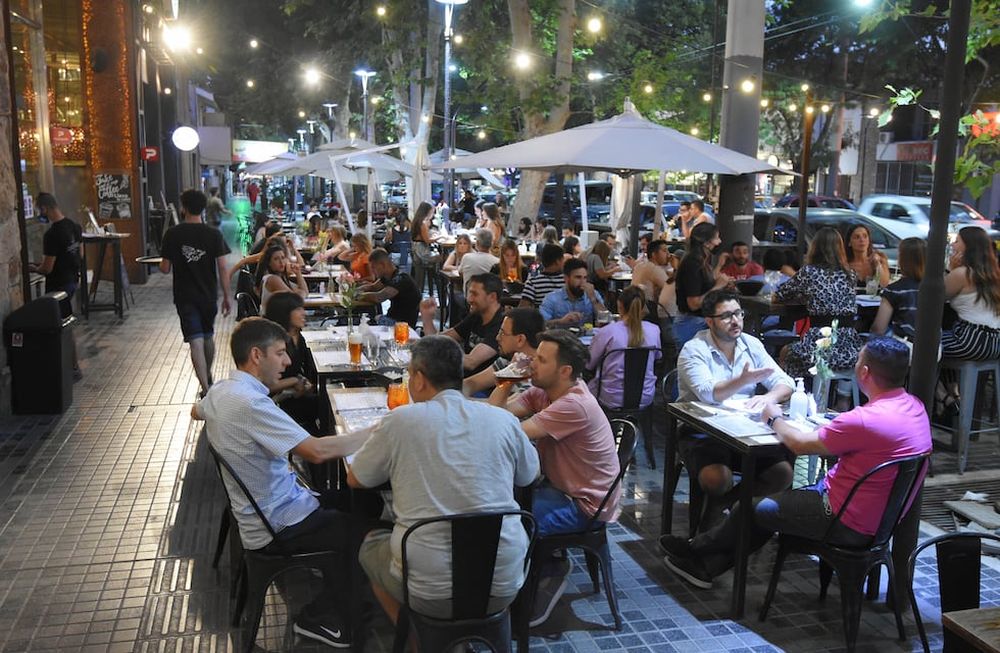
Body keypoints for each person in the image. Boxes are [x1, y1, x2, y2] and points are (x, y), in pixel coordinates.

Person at [662, 337, 932, 589]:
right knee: (770, 507)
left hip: (842, 517)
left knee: (756, 506)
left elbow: (800, 444)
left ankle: (695, 548)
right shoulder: (915, 407)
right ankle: (704, 566)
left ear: (864, 372)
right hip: (882, 521)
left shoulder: (864, 419)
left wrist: (773, 418)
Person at [194, 317, 374, 647]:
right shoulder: (250, 404)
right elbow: (317, 452)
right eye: (280, 353)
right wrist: (379, 431)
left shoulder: (221, 390)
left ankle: (345, 597)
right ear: (256, 355)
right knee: (363, 533)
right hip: (277, 523)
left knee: (355, 500)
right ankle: (320, 618)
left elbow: (197, 411)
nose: (288, 361)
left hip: (267, 508)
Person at [349, 336, 539, 624]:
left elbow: (356, 479)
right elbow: (529, 475)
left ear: (420, 379)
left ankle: (418, 640)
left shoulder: (400, 421)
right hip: (504, 583)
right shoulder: (501, 419)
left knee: (370, 545)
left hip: (426, 592)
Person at [488, 330, 621, 625]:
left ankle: (550, 568)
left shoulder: (574, 404)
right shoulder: (545, 391)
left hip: (584, 505)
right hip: (559, 488)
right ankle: (536, 568)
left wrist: (507, 382)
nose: (532, 364)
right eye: (534, 357)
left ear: (565, 371)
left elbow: (506, 433)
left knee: (510, 521)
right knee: (499, 508)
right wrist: (507, 379)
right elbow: (495, 418)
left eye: (540, 360)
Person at [675, 289, 795, 531]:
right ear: (709, 321)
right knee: (718, 479)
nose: (735, 321)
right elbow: (707, 392)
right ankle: (725, 513)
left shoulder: (751, 344)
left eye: (738, 313)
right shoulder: (694, 348)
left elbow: (786, 383)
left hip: (743, 430)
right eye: (727, 316)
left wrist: (768, 397)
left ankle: (722, 509)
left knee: (782, 474)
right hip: (700, 428)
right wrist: (743, 380)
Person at [160, 189, 232, 396]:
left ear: (183, 208)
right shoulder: (213, 234)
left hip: (184, 296)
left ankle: (205, 387)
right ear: (203, 208)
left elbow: (165, 269)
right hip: (208, 294)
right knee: (207, 336)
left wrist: (163, 261)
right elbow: (223, 268)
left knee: (195, 340)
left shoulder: (172, 234)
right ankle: (208, 376)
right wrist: (227, 296)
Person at [774, 227, 864, 381]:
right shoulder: (850, 274)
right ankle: (841, 396)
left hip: (821, 344)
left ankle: (788, 393)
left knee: (786, 352)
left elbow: (779, 295)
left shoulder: (809, 272)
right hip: (849, 347)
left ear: (815, 248)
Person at [937, 227, 1000, 414]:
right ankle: (954, 395)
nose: (953, 244)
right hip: (995, 342)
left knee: (925, 348)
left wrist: (949, 268)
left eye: (957, 241)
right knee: (943, 344)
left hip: (970, 338)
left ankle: (943, 397)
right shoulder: (994, 273)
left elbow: (935, 299)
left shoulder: (962, 274)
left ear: (967, 247)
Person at [30, 192, 83, 377]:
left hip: (58, 287)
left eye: (39, 210)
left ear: (44, 208)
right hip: (72, 281)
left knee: (62, 328)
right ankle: (71, 366)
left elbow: (47, 268)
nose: (39, 213)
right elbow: (80, 255)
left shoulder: (52, 235)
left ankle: (72, 368)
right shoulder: (74, 226)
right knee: (66, 325)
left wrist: (33, 268)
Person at [587, 286, 662, 408]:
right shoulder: (654, 330)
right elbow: (657, 357)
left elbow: (589, 363)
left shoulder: (607, 332)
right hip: (644, 396)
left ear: (620, 306)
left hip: (611, 397)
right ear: (643, 307)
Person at [420, 273, 504, 374]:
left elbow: (470, 362)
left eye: (475, 294)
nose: (469, 299)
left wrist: (434, 349)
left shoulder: (501, 325)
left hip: (480, 387)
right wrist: (427, 318)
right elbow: (438, 340)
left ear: (492, 297)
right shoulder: (477, 315)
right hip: (461, 377)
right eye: (469, 293)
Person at [262, 292, 318, 433]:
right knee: (325, 405)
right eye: (298, 309)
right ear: (284, 313)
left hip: (294, 395)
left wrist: (305, 383)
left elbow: (305, 369)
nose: (303, 313)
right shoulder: (274, 344)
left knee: (326, 400)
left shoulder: (298, 337)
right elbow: (264, 386)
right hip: (274, 404)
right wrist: (294, 381)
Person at [673, 222, 731, 352]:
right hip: (691, 323)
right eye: (717, 238)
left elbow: (706, 283)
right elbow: (693, 303)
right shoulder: (692, 264)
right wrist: (718, 286)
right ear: (706, 243)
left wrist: (720, 272)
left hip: (697, 321)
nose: (719, 241)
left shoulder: (701, 260)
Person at [463, 307, 545, 396]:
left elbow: (500, 407)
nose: (497, 338)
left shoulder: (535, 380)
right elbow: (472, 383)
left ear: (520, 340)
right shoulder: (508, 360)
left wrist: (457, 402)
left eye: (503, 333)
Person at [871, 237, 925, 342]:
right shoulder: (936, 288)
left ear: (902, 259)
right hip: (934, 349)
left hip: (905, 347)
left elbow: (879, 329)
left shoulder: (895, 290)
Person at [358, 248, 421, 327]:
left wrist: (357, 295)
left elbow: (379, 297)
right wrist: (356, 290)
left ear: (382, 265)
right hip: (392, 317)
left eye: (373, 268)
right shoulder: (387, 276)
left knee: (367, 320)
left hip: (402, 325)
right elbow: (373, 287)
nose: (372, 271)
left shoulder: (401, 279)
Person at [539, 258, 606, 328]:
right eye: (578, 277)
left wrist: (594, 300)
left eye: (585, 278)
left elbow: (606, 320)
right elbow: (541, 324)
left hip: (587, 337)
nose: (582, 282)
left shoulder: (593, 294)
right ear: (566, 278)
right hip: (561, 337)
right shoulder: (552, 299)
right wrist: (561, 321)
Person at [255, 245, 308, 311]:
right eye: (276, 259)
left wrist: (298, 273)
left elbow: (305, 292)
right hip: (273, 320)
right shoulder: (272, 279)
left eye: (283, 258)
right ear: (269, 263)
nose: (281, 262)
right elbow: (296, 300)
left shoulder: (281, 278)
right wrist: (301, 293)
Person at [518, 244, 566, 309]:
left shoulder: (533, 283)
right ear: (558, 261)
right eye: (563, 259)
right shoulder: (567, 281)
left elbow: (522, 309)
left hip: (540, 318)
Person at [845, 224, 889, 288]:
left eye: (865, 236)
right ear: (849, 242)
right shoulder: (845, 265)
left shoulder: (880, 260)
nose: (862, 240)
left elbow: (884, 285)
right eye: (857, 237)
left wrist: (877, 264)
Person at [457, 228, 500, 294]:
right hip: (488, 300)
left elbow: (460, 272)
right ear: (491, 244)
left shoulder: (467, 257)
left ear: (477, 243)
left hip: (470, 300)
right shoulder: (497, 262)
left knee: (455, 293)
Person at [410, 201, 440, 293]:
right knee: (442, 258)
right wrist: (440, 237)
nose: (433, 214)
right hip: (422, 252)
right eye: (432, 212)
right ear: (427, 212)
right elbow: (427, 240)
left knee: (440, 259)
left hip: (416, 250)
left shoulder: (419, 221)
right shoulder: (423, 223)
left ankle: (434, 281)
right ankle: (438, 281)